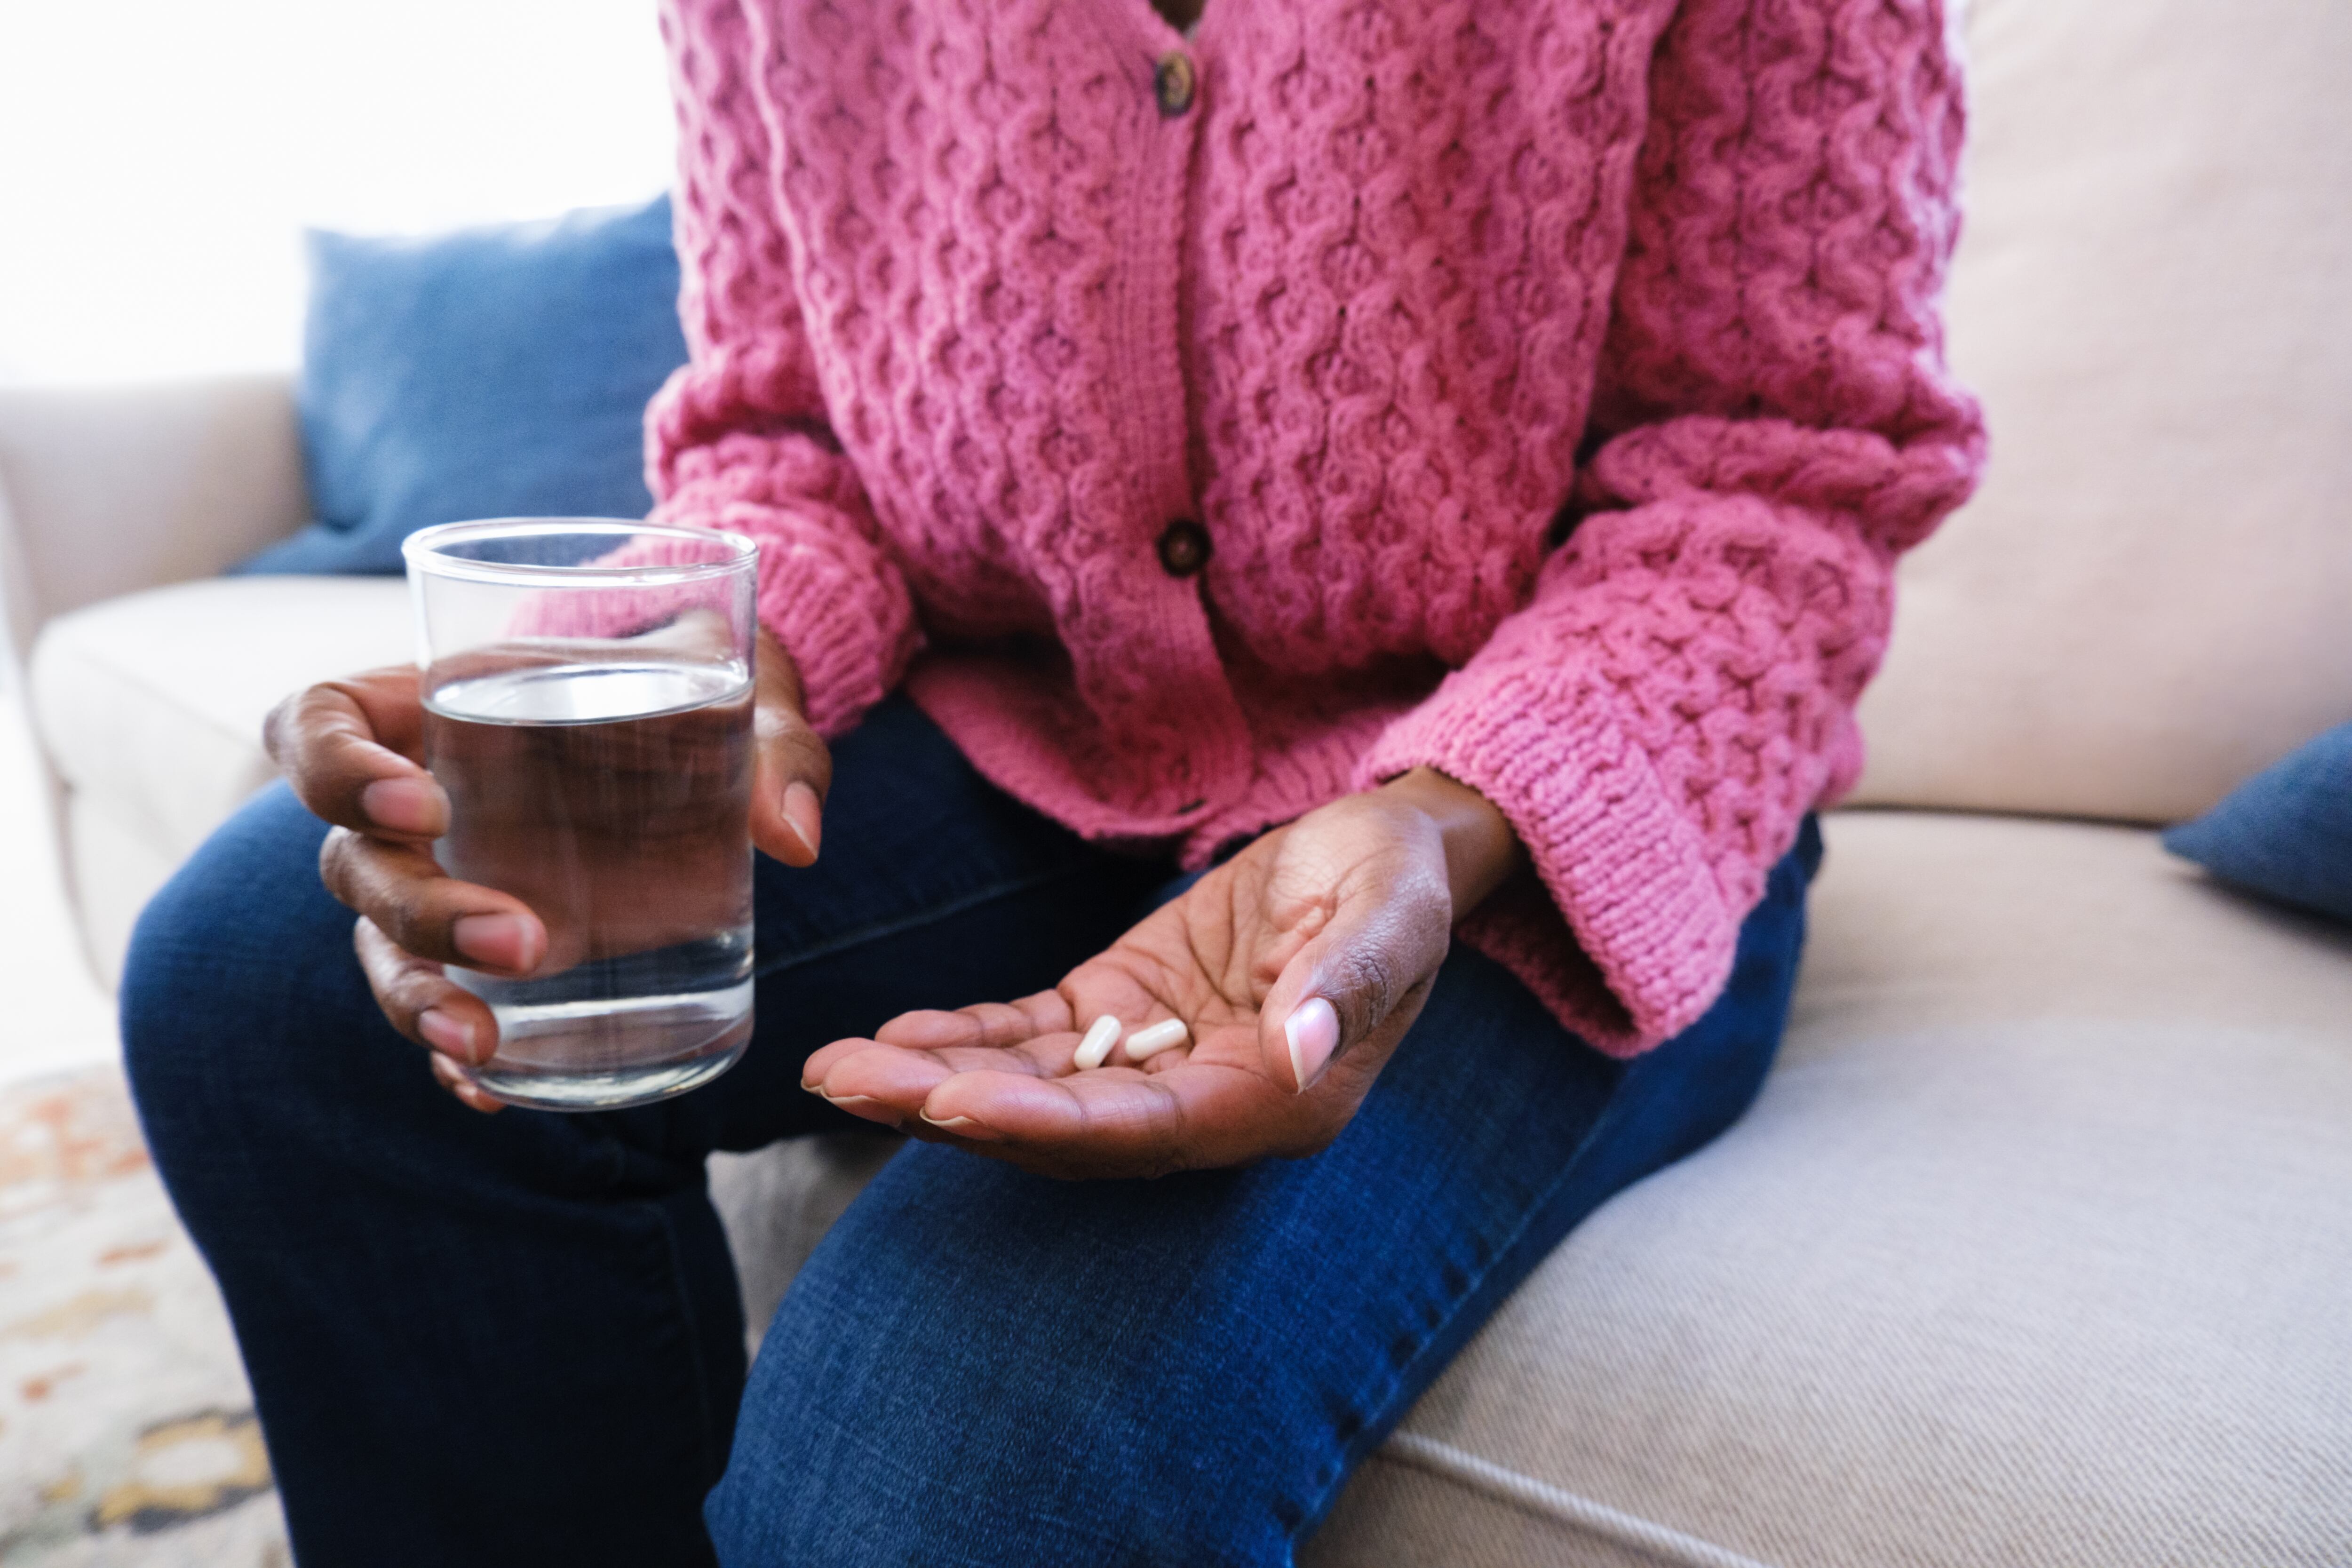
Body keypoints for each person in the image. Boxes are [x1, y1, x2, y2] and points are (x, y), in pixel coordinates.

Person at [122, 0, 1983, 1561]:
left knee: (928, 1481)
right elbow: (786, 430)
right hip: (1012, 731)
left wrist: (1443, 814)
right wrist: (696, 667)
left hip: (1549, 801)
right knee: (264, 979)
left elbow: (1778, 480)